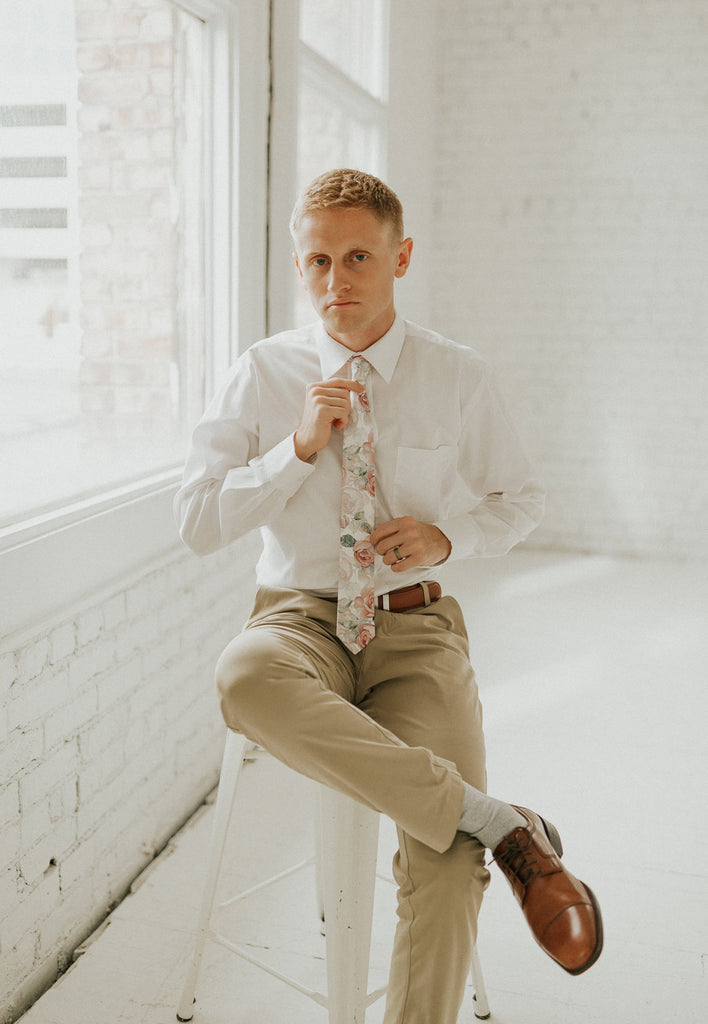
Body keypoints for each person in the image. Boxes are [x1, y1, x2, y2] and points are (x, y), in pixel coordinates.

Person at [174, 168, 603, 1024]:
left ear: (401, 257)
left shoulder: (457, 375)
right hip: (297, 621)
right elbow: (196, 520)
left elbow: (522, 499)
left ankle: (467, 843)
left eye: (359, 256)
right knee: (241, 680)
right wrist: (294, 449)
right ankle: (499, 822)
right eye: (317, 261)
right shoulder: (262, 373)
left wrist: (450, 538)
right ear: (300, 268)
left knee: (444, 864)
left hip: (416, 630)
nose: (337, 282)